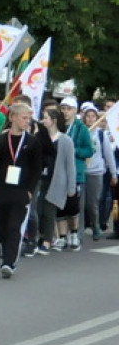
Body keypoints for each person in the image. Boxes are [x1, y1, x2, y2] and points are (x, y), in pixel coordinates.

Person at [0, 103, 42, 277]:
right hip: (0, 191)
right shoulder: (0, 140)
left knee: (14, 226)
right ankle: (5, 248)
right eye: (24, 117)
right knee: (3, 228)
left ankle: (9, 263)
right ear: (12, 117)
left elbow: (36, 168)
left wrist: (30, 191)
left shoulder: (32, 142)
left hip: (20, 191)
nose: (27, 121)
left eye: (29, 118)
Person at [38, 106, 76, 252]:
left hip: (56, 181)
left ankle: (47, 241)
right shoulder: (40, 138)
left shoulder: (66, 140)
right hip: (41, 178)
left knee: (49, 212)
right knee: (38, 210)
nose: (43, 121)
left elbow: (70, 165)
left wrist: (71, 187)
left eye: (46, 118)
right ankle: (41, 236)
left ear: (53, 120)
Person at [59, 96, 93, 249]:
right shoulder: (59, 126)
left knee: (73, 206)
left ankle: (74, 234)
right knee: (61, 205)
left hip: (76, 172)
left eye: (68, 109)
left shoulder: (81, 128)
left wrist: (74, 150)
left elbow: (89, 150)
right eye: (63, 109)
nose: (65, 112)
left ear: (75, 110)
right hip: (60, 171)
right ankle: (61, 236)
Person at [81, 102, 116, 241]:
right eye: (88, 116)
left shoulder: (101, 135)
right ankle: (79, 231)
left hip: (96, 173)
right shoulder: (81, 132)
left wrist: (113, 173)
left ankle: (95, 225)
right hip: (82, 172)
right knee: (80, 203)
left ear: (96, 118)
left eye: (93, 116)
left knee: (92, 203)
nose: (90, 119)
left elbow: (108, 155)